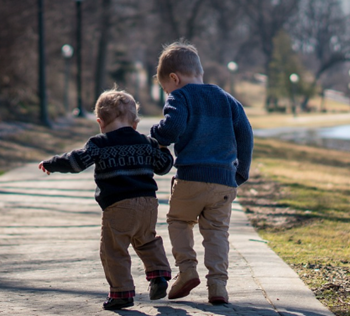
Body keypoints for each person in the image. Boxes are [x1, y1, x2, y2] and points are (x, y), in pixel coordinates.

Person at [38, 88, 173, 310]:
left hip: (118, 206)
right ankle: (158, 275)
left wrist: (52, 163)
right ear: (135, 123)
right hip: (148, 204)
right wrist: (163, 147)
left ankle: (121, 293)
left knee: (114, 249)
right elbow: (164, 166)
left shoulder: (99, 143)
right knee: (147, 240)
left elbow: (76, 162)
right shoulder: (145, 142)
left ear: (100, 122)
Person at [150, 41, 254, 305]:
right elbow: (246, 134)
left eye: (165, 89)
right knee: (217, 231)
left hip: (191, 177)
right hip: (223, 181)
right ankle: (218, 285)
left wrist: (155, 134)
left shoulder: (180, 96)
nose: (167, 93)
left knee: (179, 221)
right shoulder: (227, 99)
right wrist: (240, 172)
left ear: (174, 78)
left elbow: (171, 129)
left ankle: (186, 271)